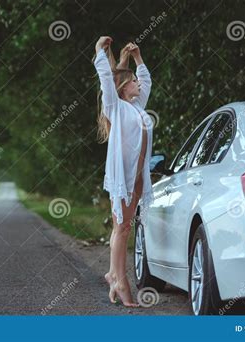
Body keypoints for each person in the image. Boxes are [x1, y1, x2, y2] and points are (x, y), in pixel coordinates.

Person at [92, 36, 155, 307]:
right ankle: (119, 279)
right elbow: (107, 79)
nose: (139, 84)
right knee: (122, 226)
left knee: (124, 227)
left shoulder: (137, 108)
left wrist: (138, 58)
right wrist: (99, 51)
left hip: (139, 178)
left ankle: (113, 275)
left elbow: (147, 81)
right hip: (123, 179)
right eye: (133, 81)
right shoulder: (115, 108)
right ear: (122, 87)